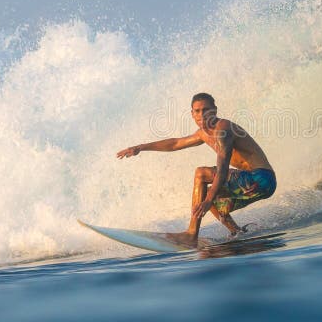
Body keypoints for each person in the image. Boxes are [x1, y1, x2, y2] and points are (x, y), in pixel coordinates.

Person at [116, 93, 276, 246]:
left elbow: (222, 169)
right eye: (197, 111)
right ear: (192, 114)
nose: (202, 115)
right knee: (205, 194)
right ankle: (236, 232)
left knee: (201, 174)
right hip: (256, 183)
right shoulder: (202, 134)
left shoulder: (224, 129)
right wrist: (140, 147)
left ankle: (191, 234)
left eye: (206, 110)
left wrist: (208, 201)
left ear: (215, 110)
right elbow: (175, 144)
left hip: (261, 178)